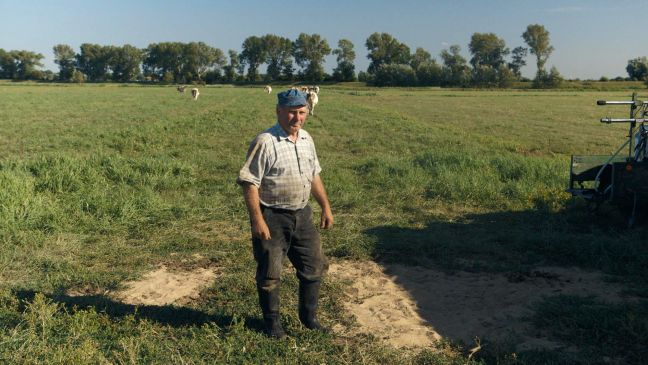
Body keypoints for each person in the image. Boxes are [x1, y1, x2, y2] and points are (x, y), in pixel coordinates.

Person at [237, 89, 334, 339]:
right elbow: (250, 183)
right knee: (270, 273)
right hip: (272, 217)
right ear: (279, 111)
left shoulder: (306, 140)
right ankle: (272, 325)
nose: (297, 118)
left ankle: (308, 317)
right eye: (292, 112)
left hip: (302, 215)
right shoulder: (265, 141)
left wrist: (325, 206)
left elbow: (314, 175)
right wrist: (258, 220)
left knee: (314, 267)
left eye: (302, 112)